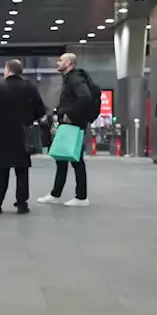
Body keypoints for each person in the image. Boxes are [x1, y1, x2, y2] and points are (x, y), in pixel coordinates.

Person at [0, 59, 46, 214]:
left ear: (8, 70)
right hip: (23, 136)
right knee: (22, 170)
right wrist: (28, 120)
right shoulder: (30, 89)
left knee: (1, 171)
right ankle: (22, 204)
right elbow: (41, 111)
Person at [37, 52, 96, 207]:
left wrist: (69, 113)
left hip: (74, 124)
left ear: (69, 63)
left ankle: (81, 197)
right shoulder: (70, 79)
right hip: (72, 123)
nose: (58, 63)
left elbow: (85, 98)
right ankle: (56, 194)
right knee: (62, 158)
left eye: (61, 60)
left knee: (76, 159)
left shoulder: (76, 79)